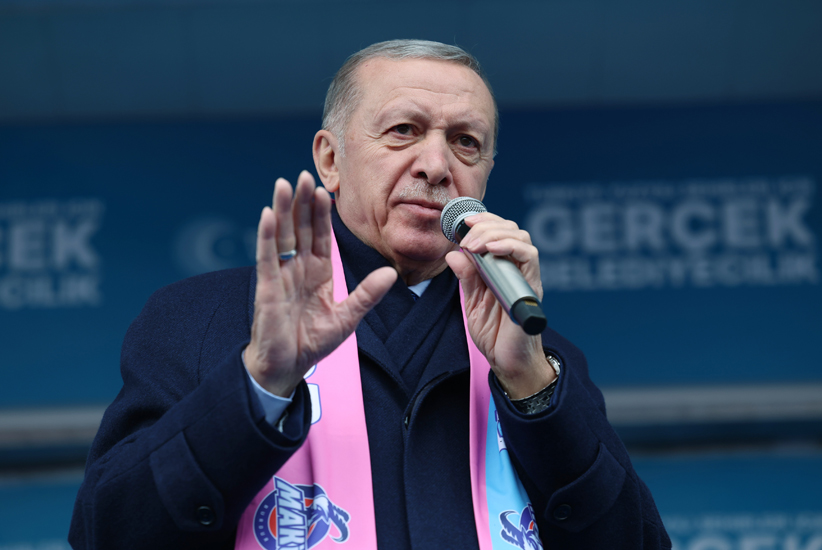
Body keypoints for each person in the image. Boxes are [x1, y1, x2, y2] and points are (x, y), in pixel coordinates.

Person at [69, 40, 671, 550]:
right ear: (330, 160)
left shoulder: (538, 352)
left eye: (465, 142)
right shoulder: (201, 318)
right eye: (404, 130)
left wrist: (533, 388)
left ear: (486, 173)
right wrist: (257, 386)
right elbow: (108, 532)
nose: (436, 165)